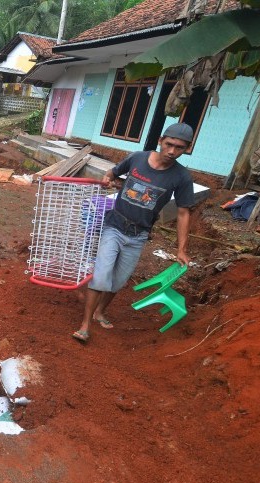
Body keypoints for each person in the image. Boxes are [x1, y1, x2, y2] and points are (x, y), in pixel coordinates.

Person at [72, 123, 196, 343]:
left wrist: (182, 249)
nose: (171, 151)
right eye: (169, 144)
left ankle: (100, 311)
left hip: (138, 235)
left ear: (187, 148)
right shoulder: (137, 158)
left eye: (179, 147)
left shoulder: (181, 177)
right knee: (101, 277)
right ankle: (85, 324)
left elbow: (184, 212)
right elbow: (113, 171)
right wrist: (108, 178)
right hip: (114, 225)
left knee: (117, 282)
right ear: (160, 140)